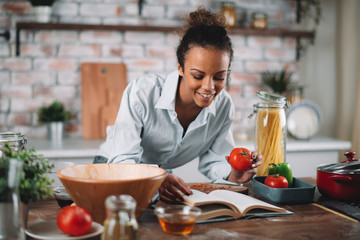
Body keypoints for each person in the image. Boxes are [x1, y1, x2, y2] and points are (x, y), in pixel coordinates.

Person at [95, 7, 262, 203]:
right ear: (180, 67)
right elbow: (122, 162)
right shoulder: (142, 93)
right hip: (112, 168)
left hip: (161, 177)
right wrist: (156, 177)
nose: (209, 87)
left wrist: (234, 175)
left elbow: (216, 160)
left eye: (219, 77)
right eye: (198, 76)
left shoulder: (223, 106)